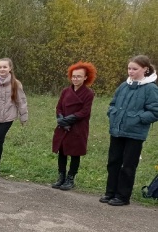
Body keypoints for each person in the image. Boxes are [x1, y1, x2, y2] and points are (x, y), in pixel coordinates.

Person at [101, 55, 158, 206]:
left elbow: (155, 111)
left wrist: (138, 119)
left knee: (128, 165)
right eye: (129, 68)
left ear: (145, 69)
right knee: (113, 162)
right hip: (117, 131)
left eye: (135, 69)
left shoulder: (151, 88)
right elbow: (112, 104)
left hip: (135, 134)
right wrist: (112, 113)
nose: (131, 71)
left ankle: (122, 196)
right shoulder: (123, 86)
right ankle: (110, 192)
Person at [51, 62, 96, 190]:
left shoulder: (88, 93)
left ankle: (70, 178)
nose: (75, 79)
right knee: (62, 152)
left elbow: (85, 111)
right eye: (74, 76)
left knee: (75, 153)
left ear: (85, 77)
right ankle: (61, 177)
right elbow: (59, 106)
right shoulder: (66, 91)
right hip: (63, 126)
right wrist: (60, 119)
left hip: (78, 127)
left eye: (79, 76)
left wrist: (69, 120)